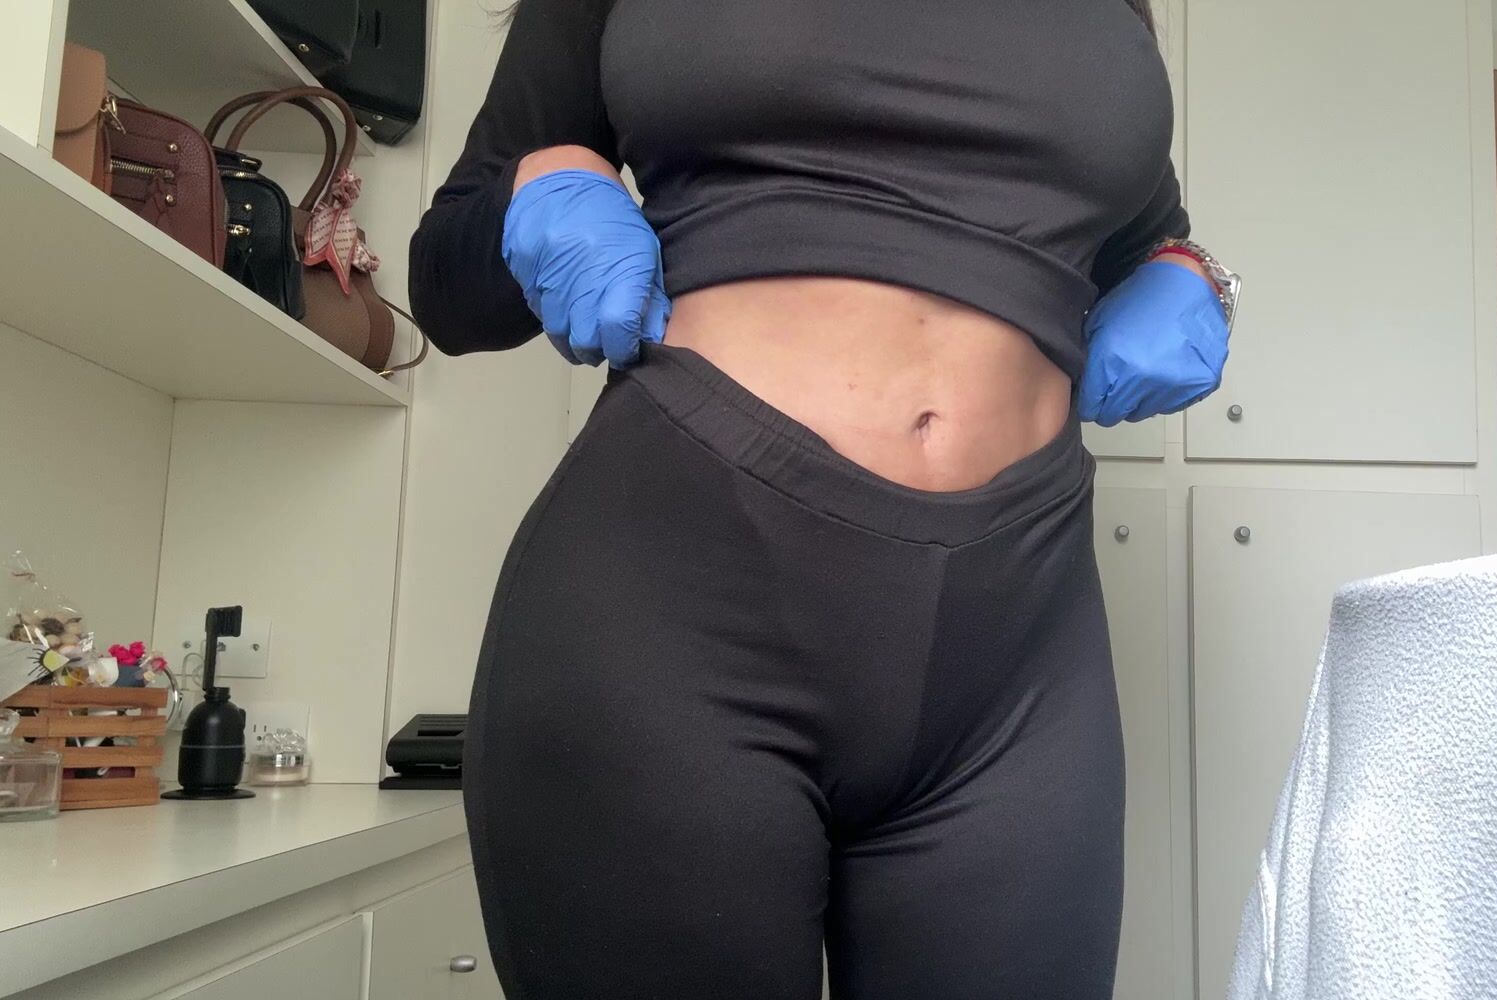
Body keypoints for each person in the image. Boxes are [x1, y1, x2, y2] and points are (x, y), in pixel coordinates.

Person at [407, 1, 1235, 997]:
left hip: (1021, 640)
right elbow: (444, 278)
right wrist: (538, 189)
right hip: (679, 610)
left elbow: (1142, 232)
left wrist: (1189, 272)